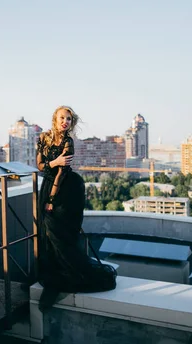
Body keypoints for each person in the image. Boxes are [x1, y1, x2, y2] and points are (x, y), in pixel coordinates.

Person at [36, 105, 117, 310]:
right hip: (47, 186)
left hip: (65, 190)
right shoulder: (43, 138)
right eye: (62, 117)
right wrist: (54, 162)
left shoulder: (68, 142)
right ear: (55, 118)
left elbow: (62, 173)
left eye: (69, 119)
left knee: (60, 232)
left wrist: (52, 200)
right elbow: (39, 166)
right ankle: (52, 275)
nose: (65, 121)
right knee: (46, 231)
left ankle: (62, 278)